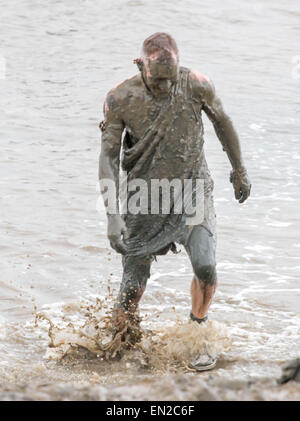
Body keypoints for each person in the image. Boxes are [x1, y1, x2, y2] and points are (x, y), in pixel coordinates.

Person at [99, 32, 251, 371]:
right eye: (158, 80)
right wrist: (112, 215)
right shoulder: (120, 99)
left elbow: (223, 122)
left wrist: (238, 169)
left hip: (193, 191)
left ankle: (197, 331)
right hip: (145, 198)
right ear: (140, 66)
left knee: (206, 268)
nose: (166, 87)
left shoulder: (196, 85)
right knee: (132, 285)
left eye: (171, 79)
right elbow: (107, 158)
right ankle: (120, 343)